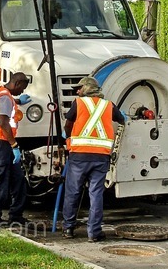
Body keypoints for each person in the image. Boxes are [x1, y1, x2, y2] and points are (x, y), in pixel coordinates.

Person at [62, 76, 126, 242]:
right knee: (96, 194)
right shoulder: (108, 105)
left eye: (80, 87)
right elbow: (121, 120)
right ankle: (94, 233)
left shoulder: (79, 103)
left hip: (79, 155)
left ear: (88, 88)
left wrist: (67, 137)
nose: (77, 91)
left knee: (73, 192)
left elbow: (68, 124)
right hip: (100, 157)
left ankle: (68, 228)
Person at [0, 72, 32, 226]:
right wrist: (14, 145)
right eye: (22, 88)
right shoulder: (5, 97)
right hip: (0, 142)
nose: (22, 91)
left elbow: (6, 105)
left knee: (18, 179)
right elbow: (4, 123)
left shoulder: (3, 93)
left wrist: (18, 101)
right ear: (17, 83)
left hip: (2, 142)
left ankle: (16, 216)